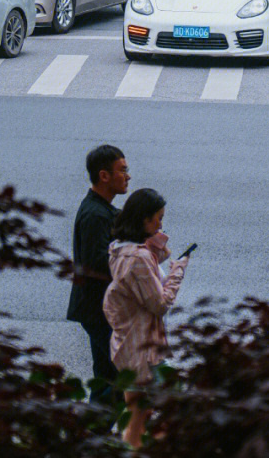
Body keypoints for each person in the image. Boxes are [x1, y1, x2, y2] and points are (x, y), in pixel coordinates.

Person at [103, 187, 190, 450]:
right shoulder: (140, 258)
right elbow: (160, 304)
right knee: (146, 417)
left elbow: (149, 264)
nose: (160, 224)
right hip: (143, 349)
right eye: (157, 219)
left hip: (126, 343)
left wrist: (155, 241)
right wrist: (177, 272)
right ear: (143, 219)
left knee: (136, 412)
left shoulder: (118, 249)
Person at [67, 143, 130, 402]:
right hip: (98, 310)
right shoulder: (96, 215)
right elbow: (97, 262)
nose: (127, 176)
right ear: (104, 176)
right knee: (116, 382)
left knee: (106, 379)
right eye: (122, 171)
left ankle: (95, 437)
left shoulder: (102, 209)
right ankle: (98, 436)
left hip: (97, 309)